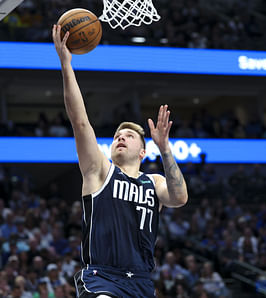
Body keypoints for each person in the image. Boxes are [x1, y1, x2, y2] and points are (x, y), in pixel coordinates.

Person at [52, 24, 189, 298]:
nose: (121, 138)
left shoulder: (154, 182)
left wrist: (165, 149)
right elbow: (80, 123)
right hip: (102, 277)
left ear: (142, 151)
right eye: (117, 135)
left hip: (140, 281)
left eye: (129, 135)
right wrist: (66, 64)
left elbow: (180, 198)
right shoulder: (99, 171)